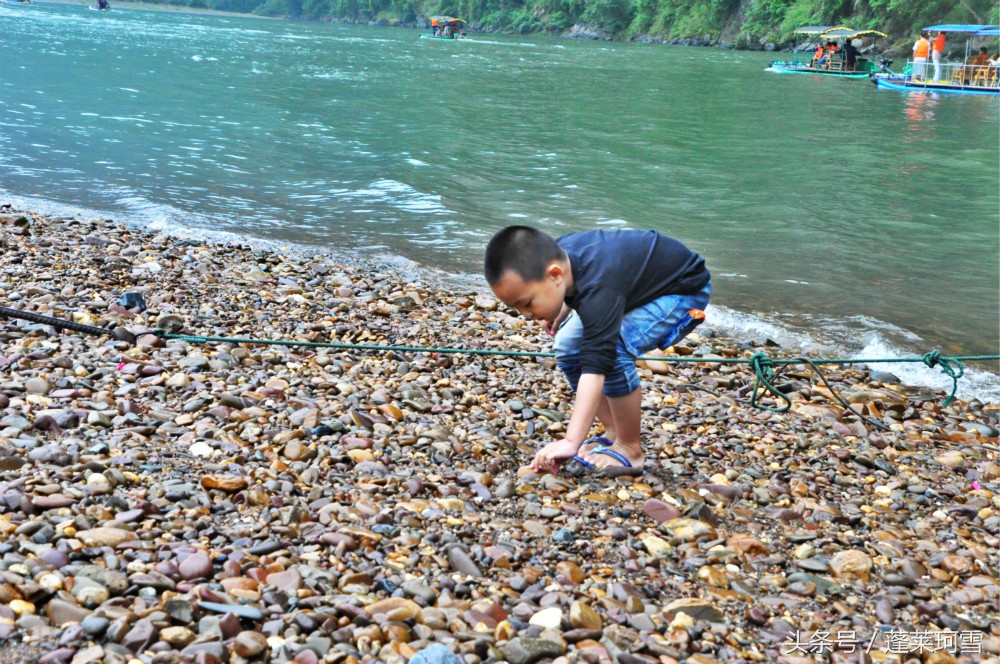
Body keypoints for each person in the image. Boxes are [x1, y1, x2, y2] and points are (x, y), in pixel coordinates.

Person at [484, 226, 711, 476]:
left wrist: (571, 441)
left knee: (614, 351)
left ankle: (630, 448)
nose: (526, 314)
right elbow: (579, 285)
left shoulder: (599, 289)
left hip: (681, 291)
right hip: (627, 286)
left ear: (556, 275)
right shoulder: (557, 261)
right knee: (567, 346)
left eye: (528, 303)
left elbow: (596, 367)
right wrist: (563, 307)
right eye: (517, 308)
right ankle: (613, 431)